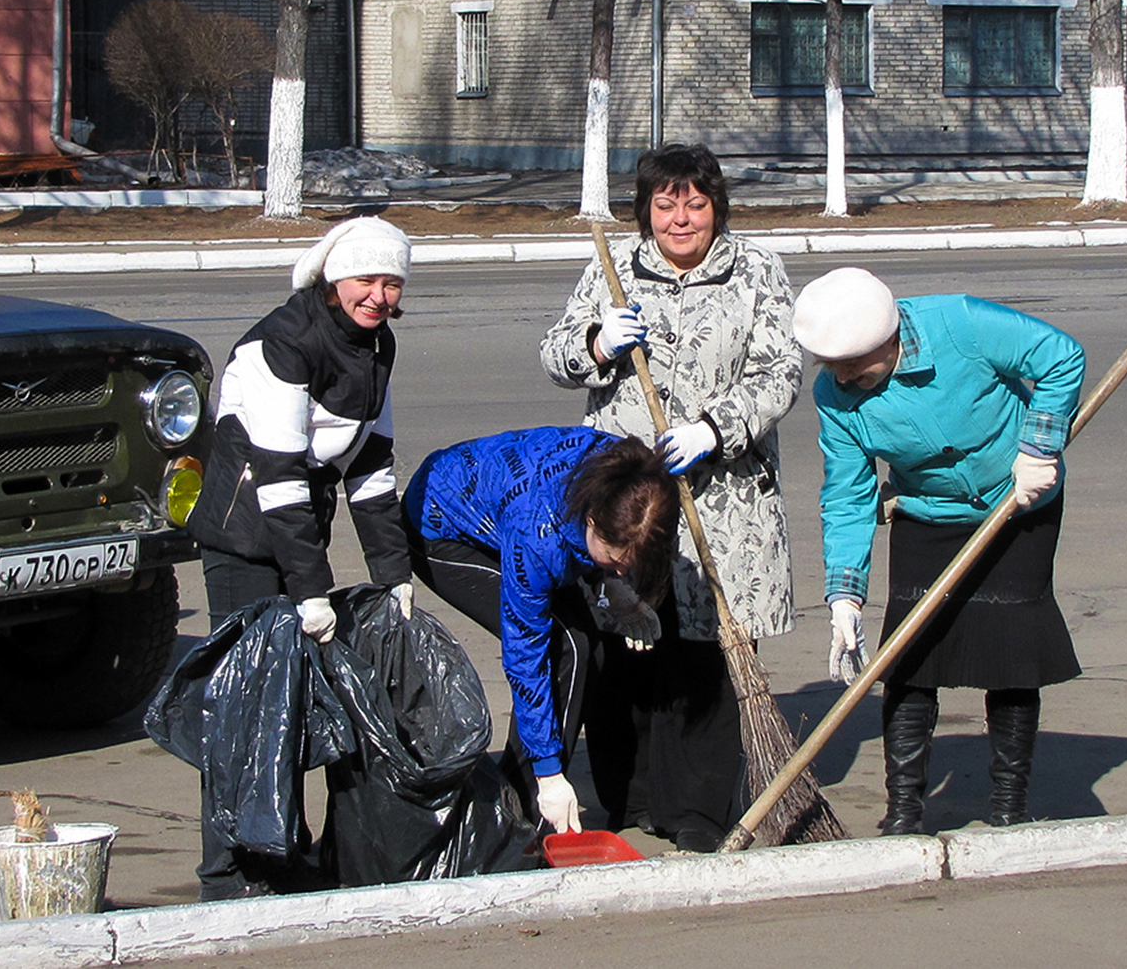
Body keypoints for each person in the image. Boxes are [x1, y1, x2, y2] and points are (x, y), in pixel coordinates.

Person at [539, 142, 802, 853]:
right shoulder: (613, 269)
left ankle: (697, 812)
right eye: (665, 203)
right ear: (645, 210)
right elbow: (553, 352)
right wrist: (595, 342)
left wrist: (717, 430)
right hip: (627, 497)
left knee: (700, 653)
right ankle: (629, 798)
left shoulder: (757, 270)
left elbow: (781, 370)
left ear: (716, 205)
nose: (681, 218)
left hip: (722, 500)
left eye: (695, 201)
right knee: (625, 647)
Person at [791, 267, 1086, 834]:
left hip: (1019, 498)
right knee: (909, 661)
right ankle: (903, 813)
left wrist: (1039, 447)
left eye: (856, 365)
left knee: (1011, 655)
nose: (845, 379)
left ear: (892, 336)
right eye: (834, 367)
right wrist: (844, 597)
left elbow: (1060, 356)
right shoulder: (834, 396)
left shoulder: (961, 323)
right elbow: (848, 494)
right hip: (927, 514)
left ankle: (1008, 807)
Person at [185, 214, 416, 900]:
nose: (378, 294)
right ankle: (228, 870)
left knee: (287, 702)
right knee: (244, 705)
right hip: (244, 532)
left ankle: (284, 849)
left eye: (391, 282)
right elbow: (281, 477)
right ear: (333, 280)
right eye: (366, 280)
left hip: (293, 527)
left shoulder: (377, 345)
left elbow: (372, 466)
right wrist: (312, 588)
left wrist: (394, 573)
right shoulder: (282, 344)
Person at [402, 427, 679, 835]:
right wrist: (548, 775)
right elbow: (524, 657)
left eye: (629, 565)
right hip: (439, 526)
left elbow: (616, 548)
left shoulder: (630, 481)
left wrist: (614, 586)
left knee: (590, 647)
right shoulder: (537, 534)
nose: (622, 569)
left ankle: (547, 800)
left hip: (514, 508)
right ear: (590, 520)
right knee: (565, 646)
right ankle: (521, 809)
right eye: (615, 561)